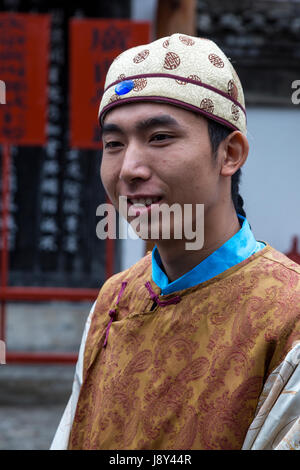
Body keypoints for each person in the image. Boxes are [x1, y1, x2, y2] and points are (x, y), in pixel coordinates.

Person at [51, 34, 300, 450]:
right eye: (113, 144)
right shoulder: (114, 299)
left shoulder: (288, 317)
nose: (128, 168)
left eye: (160, 137)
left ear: (231, 153)